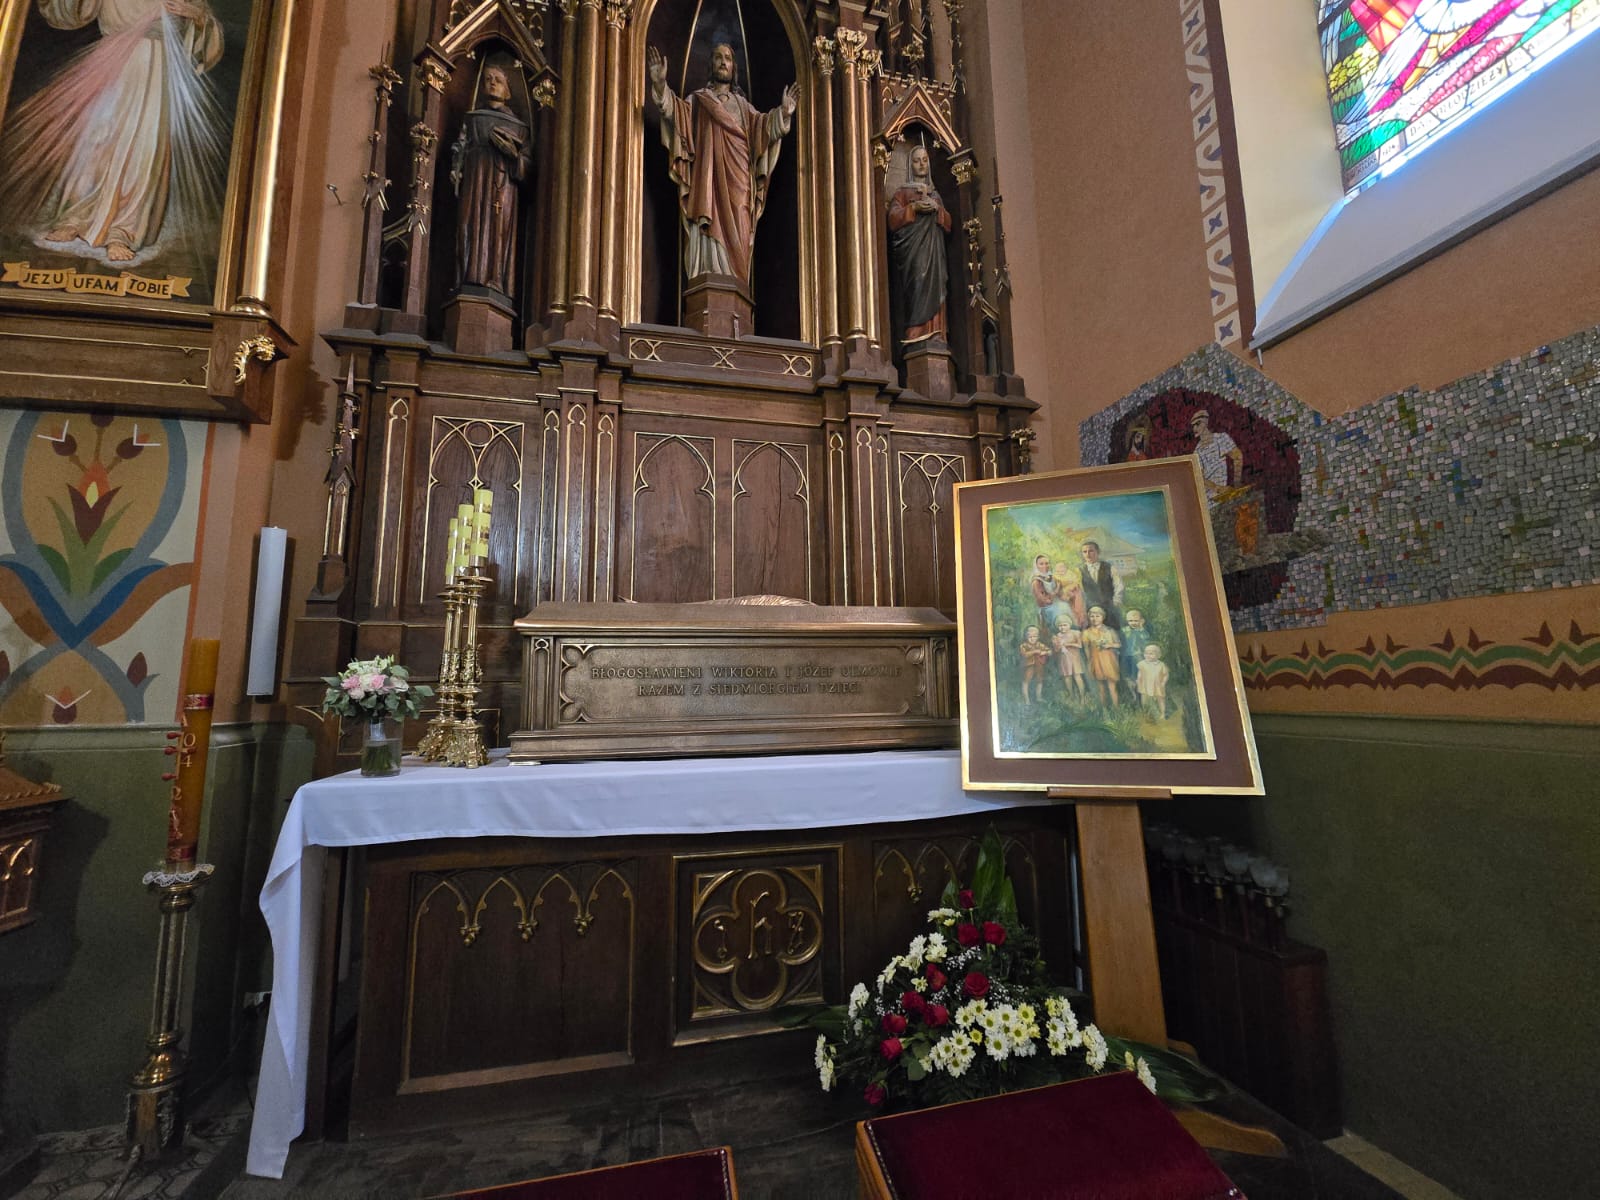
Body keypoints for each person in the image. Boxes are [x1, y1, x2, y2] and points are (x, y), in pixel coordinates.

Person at [0, 0, 226, 264]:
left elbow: (205, 39)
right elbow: (69, 12)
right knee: (92, 142)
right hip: (108, 62)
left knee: (142, 148)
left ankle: (123, 231)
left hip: (154, 68)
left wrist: (197, 16)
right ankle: (75, 217)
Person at [647, 41, 798, 285]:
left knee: (741, 228)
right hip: (707, 180)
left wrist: (783, 114)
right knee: (707, 224)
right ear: (711, 65)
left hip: (739, 183)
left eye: (727, 58)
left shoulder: (744, 107)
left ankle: (737, 285)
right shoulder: (698, 101)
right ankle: (707, 277)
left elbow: (764, 128)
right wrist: (660, 85)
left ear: (733, 67)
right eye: (718, 57)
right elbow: (675, 113)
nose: (723, 62)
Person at [451, 63, 531, 298]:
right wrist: (456, 168)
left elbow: (528, 165)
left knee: (498, 231)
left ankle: (496, 281)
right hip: (475, 180)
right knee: (467, 225)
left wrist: (513, 154)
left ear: (508, 90)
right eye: (488, 78)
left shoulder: (519, 127)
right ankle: (466, 278)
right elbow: (460, 147)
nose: (492, 82)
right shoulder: (473, 119)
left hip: (502, 184)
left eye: (498, 79)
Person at [886, 143, 952, 346]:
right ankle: (915, 334)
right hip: (913, 254)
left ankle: (936, 333)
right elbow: (893, 219)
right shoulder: (902, 193)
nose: (921, 164)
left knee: (936, 285)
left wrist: (936, 209)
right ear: (910, 165)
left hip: (935, 254)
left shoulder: (935, 195)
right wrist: (913, 207)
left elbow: (948, 224)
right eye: (917, 161)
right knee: (917, 285)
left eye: (925, 160)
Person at [1189, 409, 1242, 498]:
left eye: (1198, 424)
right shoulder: (1197, 453)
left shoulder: (1221, 438)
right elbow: (1199, 477)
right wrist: (1217, 488)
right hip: (1209, 498)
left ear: (1205, 422)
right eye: (1193, 425)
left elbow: (1238, 457)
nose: (1195, 428)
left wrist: (1237, 483)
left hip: (1224, 495)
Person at [1080, 606, 1121, 709]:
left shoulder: (1109, 631)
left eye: (1097, 616)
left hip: (1109, 661)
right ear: (1089, 617)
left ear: (1103, 617)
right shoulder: (1086, 632)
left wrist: (1109, 645)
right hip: (1096, 660)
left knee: (1112, 686)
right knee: (1101, 687)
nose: (1095, 619)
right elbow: (1086, 648)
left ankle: (1116, 709)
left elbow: (1118, 644)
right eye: (1092, 616)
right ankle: (1104, 709)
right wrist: (1089, 660)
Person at [1078, 541, 1121, 629]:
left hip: (1108, 607)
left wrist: (1116, 601)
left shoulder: (1109, 567)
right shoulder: (1079, 570)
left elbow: (1119, 585)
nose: (1088, 554)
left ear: (1098, 552)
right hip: (1090, 608)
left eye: (1091, 551)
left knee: (1112, 631)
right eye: (1085, 552)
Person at [1120, 608, 1152, 703]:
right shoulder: (1124, 630)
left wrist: (1141, 628)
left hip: (1138, 657)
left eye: (1136, 621)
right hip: (1126, 656)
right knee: (1127, 677)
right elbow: (1120, 640)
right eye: (1130, 621)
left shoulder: (1142, 631)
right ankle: (1133, 695)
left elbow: (1146, 640)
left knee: (1138, 677)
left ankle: (1141, 698)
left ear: (1141, 621)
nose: (1133, 623)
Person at [1052, 619, 1086, 704]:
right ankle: (1071, 695)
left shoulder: (1075, 633)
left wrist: (1068, 644)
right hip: (1064, 658)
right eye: (1060, 626)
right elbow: (1056, 650)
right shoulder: (1058, 636)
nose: (1062, 627)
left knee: (1077, 676)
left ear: (1069, 625)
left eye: (1065, 625)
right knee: (1067, 676)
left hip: (1074, 657)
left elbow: (1080, 645)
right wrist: (1058, 645)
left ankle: (1082, 697)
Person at [1030, 554, 1063, 632]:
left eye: (1047, 563)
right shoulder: (1036, 581)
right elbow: (1045, 601)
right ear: (1036, 566)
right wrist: (1057, 590)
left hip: (1056, 604)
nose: (1045, 566)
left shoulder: (1052, 577)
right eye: (1041, 564)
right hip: (1046, 608)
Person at [1136, 643, 1170, 720]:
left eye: (1151, 654)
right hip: (1145, 684)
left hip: (1157, 685)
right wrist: (1138, 680)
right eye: (1146, 653)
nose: (1148, 655)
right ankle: (1146, 712)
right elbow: (1140, 673)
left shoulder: (1161, 665)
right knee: (1144, 699)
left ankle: (1163, 713)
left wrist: (1163, 682)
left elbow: (1166, 674)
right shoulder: (1142, 664)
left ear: (1158, 655)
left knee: (1160, 699)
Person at [1019, 625, 1050, 705]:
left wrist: (1045, 652)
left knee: (1039, 681)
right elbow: (1025, 654)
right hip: (1029, 666)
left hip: (1039, 665)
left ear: (1038, 637)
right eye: (1030, 637)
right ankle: (1026, 699)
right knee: (1026, 681)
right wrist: (1034, 651)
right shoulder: (1024, 646)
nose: (1032, 639)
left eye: (1034, 637)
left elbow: (1050, 651)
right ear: (1026, 637)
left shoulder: (1039, 644)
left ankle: (1039, 697)